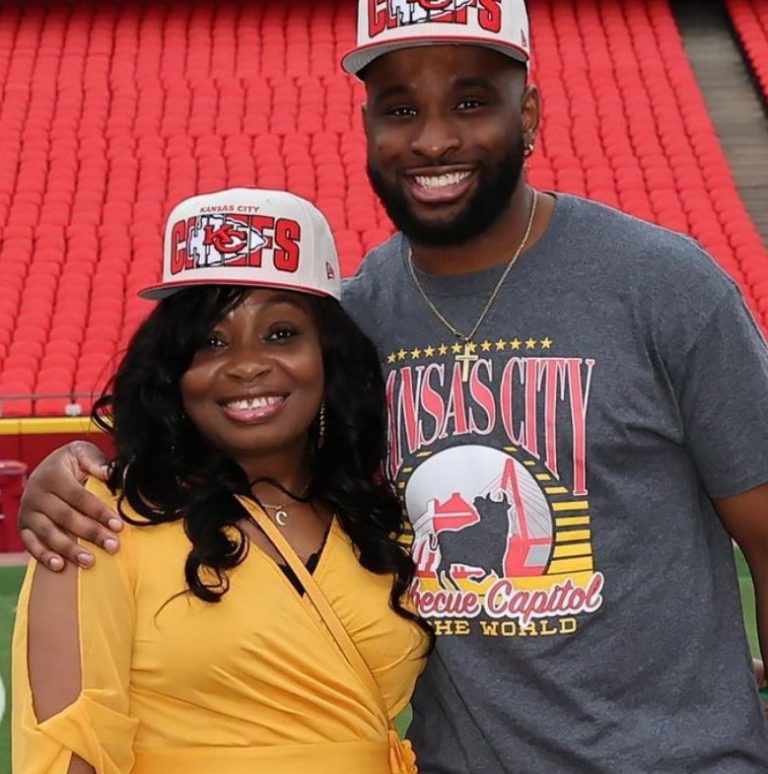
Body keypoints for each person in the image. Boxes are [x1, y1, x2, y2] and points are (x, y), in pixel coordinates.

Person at [17, 0, 768, 771]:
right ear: (369, 126)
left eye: (471, 102)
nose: (435, 138)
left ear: (531, 113)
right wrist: (71, 465)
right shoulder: (357, 316)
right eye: (400, 108)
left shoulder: (665, 288)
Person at [12, 187, 430, 773]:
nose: (246, 363)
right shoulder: (96, 513)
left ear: (328, 356)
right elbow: (70, 745)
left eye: (281, 333)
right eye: (211, 340)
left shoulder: (383, 513)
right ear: (175, 370)